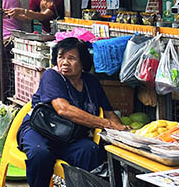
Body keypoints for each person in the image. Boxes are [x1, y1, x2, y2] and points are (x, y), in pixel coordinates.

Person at [19, 37, 126, 187]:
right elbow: (63, 109)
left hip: (70, 137)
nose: (64, 62)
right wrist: (106, 124)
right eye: (61, 57)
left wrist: (124, 135)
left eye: (71, 58)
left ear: (83, 63)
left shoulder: (91, 83)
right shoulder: (52, 76)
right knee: (40, 154)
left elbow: (109, 112)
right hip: (40, 130)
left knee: (91, 151)